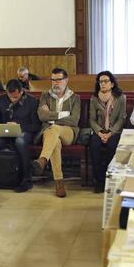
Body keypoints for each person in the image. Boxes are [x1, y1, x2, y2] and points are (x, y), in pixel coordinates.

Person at [31, 68, 81, 198]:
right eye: (53, 79)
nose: (55, 83)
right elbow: (42, 116)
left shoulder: (75, 98)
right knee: (55, 143)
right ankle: (59, 183)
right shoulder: (45, 96)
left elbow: (74, 120)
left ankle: (42, 160)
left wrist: (51, 116)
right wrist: (64, 114)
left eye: (59, 79)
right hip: (49, 133)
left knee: (54, 129)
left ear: (66, 80)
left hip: (68, 131)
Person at [0, 79, 41, 193]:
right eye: (10, 97)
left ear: (21, 92)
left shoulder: (32, 101)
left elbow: (36, 125)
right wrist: (0, 126)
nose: (13, 99)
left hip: (24, 131)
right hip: (5, 131)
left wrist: (19, 127)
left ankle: (26, 179)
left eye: (15, 97)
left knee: (20, 141)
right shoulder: (1, 100)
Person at [89, 71, 126, 193]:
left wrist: (110, 133)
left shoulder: (120, 98)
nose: (103, 84)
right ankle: (99, 181)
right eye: (100, 81)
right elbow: (92, 119)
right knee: (94, 146)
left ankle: (111, 180)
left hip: (114, 131)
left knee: (112, 147)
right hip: (98, 131)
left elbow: (121, 118)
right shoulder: (94, 98)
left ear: (112, 84)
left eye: (106, 81)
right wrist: (100, 133)